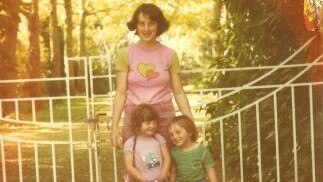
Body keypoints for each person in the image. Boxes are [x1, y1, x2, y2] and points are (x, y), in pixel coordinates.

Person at [110, 3, 193, 147]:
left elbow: (178, 92)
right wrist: (114, 125)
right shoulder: (125, 54)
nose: (146, 29)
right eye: (141, 24)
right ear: (136, 26)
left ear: (158, 25)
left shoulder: (170, 55)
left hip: (163, 117)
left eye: (151, 23)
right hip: (135, 117)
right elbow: (121, 93)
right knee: (136, 164)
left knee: (167, 164)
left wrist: (190, 122)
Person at [123, 103, 170, 182]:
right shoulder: (131, 143)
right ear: (137, 124)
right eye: (147, 123)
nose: (152, 126)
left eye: (154, 122)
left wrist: (164, 172)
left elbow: (167, 157)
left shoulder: (158, 138)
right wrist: (143, 179)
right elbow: (129, 166)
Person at [168, 115, 217, 182]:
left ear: (189, 132)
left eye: (178, 132)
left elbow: (210, 170)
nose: (175, 136)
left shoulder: (202, 151)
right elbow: (173, 172)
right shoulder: (174, 151)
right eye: (171, 134)